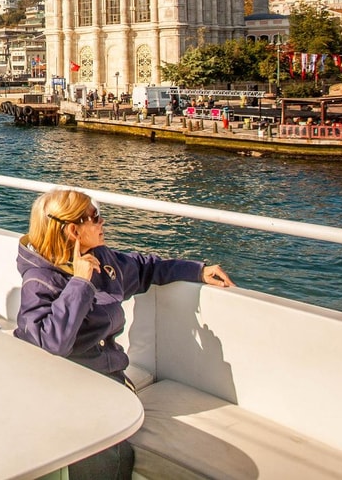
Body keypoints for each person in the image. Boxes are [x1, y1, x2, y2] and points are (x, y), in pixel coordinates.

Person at [14, 189, 234, 480]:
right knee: (108, 449)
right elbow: (52, 344)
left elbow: (145, 269)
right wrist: (80, 282)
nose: (103, 222)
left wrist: (196, 271)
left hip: (105, 382)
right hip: (63, 385)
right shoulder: (39, 280)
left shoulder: (103, 261)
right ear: (73, 230)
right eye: (95, 218)